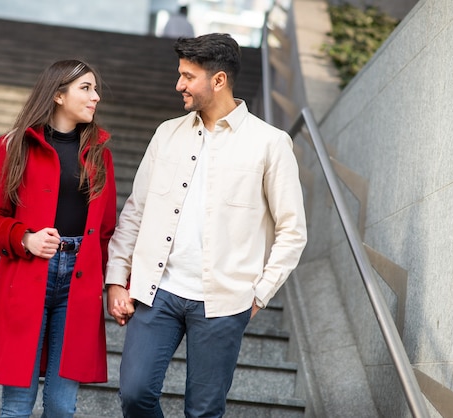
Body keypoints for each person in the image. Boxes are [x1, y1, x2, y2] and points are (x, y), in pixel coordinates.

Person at [105, 33, 307, 417]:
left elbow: (292, 230)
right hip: (158, 289)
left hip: (223, 301)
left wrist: (259, 294)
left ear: (218, 81)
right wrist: (117, 276)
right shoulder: (167, 133)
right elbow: (137, 210)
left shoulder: (270, 143)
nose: (178, 84)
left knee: (203, 410)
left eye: (188, 76)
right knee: (134, 392)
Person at [0, 59, 117, 418]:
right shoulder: (15, 146)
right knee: (17, 405)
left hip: (79, 280)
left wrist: (117, 282)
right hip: (27, 274)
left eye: (95, 88)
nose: (95, 97)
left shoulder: (100, 154)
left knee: (61, 405)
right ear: (57, 95)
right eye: (86, 88)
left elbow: (106, 231)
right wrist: (26, 239)